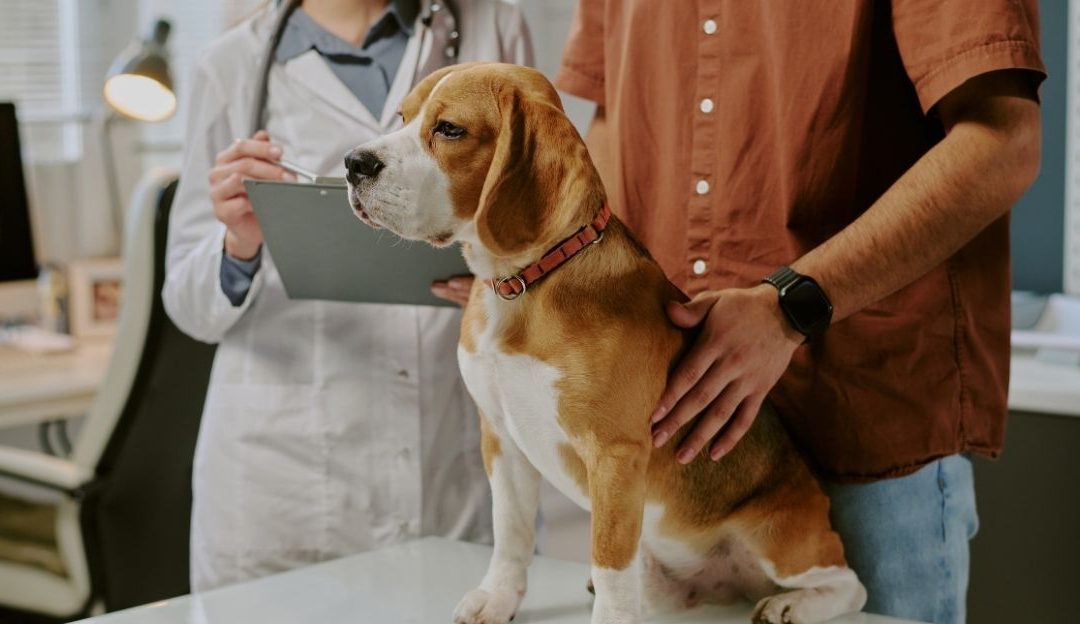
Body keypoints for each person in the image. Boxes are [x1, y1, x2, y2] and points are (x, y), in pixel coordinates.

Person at [556, 2, 1043, 623]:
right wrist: (553, 271)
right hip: (677, 442)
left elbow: (1003, 142)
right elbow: (611, 122)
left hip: (864, 424)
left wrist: (789, 305)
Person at [164, 0, 532, 592]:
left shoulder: (491, 28)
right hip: (282, 480)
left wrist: (509, 286)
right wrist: (239, 242)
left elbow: (535, 214)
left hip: (448, 457)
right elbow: (187, 304)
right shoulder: (230, 66)